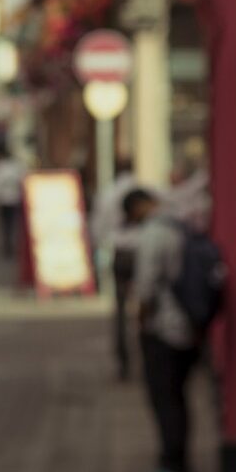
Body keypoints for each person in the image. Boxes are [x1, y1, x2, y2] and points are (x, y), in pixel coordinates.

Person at [123, 188, 200, 472]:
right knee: (178, 398)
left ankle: (173, 469)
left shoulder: (154, 233)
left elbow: (146, 287)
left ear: (140, 207)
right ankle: (179, 465)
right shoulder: (181, 225)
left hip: (164, 329)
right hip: (188, 327)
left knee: (165, 399)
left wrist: (140, 324)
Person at [91, 160, 144, 381]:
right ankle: (146, 358)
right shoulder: (143, 190)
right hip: (141, 252)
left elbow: (98, 228)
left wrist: (103, 246)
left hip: (120, 253)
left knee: (121, 311)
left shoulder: (107, 193)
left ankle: (124, 362)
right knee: (145, 306)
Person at [0, 148, 26, 260]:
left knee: (7, 224)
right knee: (9, 223)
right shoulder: (14, 166)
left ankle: (8, 244)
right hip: (9, 199)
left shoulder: (1, 167)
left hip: (7, 199)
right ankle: (8, 244)